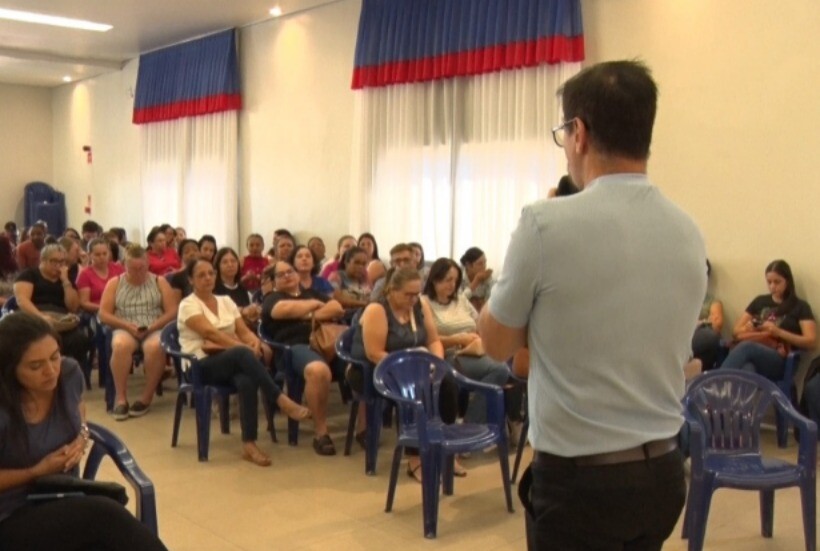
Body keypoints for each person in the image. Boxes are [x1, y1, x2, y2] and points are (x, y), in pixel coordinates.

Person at [478, 60, 706, 550]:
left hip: (581, 484)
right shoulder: (688, 231)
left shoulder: (545, 223)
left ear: (578, 133)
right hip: (664, 472)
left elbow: (496, 343)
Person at [0, 312, 168, 550]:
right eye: (35, 366)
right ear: (9, 369)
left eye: (54, 357)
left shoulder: (68, 373)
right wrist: (35, 471)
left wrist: (81, 434)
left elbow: (78, 410)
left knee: (106, 528)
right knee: (105, 515)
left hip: (60, 495)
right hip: (10, 512)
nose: (50, 371)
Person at [178, 260, 311, 466]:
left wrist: (254, 342)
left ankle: (249, 444)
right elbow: (209, 332)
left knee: (247, 380)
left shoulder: (226, 301)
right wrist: (243, 348)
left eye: (211, 273)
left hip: (230, 360)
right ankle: (280, 398)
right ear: (191, 280)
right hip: (200, 364)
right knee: (242, 354)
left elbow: (243, 331)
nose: (207, 278)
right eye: (201, 275)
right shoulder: (188, 304)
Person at [350, 267, 462, 480]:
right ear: (392, 290)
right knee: (414, 389)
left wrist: (435, 363)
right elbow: (374, 353)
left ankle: (445, 450)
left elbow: (433, 340)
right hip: (376, 370)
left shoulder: (421, 306)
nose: (413, 299)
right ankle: (415, 458)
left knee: (446, 383)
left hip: (414, 363)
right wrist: (410, 367)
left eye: (416, 294)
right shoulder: (377, 310)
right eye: (407, 295)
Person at [423, 258, 520, 428]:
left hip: (474, 350)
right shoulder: (425, 302)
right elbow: (429, 339)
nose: (452, 285)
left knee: (511, 367)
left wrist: (479, 337)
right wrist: (459, 339)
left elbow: (479, 322)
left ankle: (504, 421)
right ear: (435, 279)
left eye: (455, 280)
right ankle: (471, 425)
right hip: (449, 354)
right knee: (499, 370)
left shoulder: (460, 300)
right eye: (448, 280)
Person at [261, 260, 344, 456]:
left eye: (290, 271)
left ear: (298, 274)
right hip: (293, 349)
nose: (287, 276)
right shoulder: (272, 298)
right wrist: (315, 308)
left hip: (327, 345)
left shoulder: (311, 293)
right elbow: (281, 310)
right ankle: (321, 433)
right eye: (281, 275)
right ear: (273, 282)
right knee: (318, 370)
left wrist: (306, 314)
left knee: (365, 363)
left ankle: (363, 430)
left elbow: (337, 308)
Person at [98, 245, 176, 420]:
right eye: (132, 269)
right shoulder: (115, 282)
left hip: (153, 326)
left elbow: (172, 311)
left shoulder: (159, 281)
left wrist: (153, 326)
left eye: (142, 268)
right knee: (120, 345)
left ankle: (146, 397)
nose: (138, 272)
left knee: (155, 346)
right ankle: (120, 398)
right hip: (125, 325)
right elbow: (103, 313)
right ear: (125, 265)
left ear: (148, 264)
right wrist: (126, 325)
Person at [721, 260, 816, 381]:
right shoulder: (760, 301)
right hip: (756, 350)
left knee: (747, 347)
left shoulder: (800, 306)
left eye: (777, 282)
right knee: (748, 369)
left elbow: (811, 342)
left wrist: (778, 332)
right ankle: (737, 398)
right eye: (769, 282)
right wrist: (749, 328)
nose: (772, 286)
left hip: (781, 359)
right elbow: (736, 331)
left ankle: (714, 386)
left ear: (787, 281)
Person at [13, 244, 91, 366]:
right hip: (34, 317)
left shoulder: (67, 279)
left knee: (79, 340)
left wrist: (65, 281)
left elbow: (73, 307)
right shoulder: (29, 275)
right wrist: (40, 317)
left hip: (61, 320)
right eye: (54, 261)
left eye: (62, 262)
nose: (58, 265)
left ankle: (70, 373)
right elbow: (22, 300)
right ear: (43, 260)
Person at [76, 238, 125, 314]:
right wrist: (106, 308)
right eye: (97, 255)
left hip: (120, 310)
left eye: (105, 254)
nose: (102, 257)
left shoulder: (118, 269)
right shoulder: (85, 274)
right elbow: (84, 303)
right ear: (89, 255)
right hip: (96, 312)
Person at [691, 259, 723, 371]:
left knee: (711, 336)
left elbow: (716, 326)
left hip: (699, 334)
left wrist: (701, 323)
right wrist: (705, 321)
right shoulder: (679, 298)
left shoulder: (712, 302)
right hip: (680, 334)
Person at [328, 246, 372, 311]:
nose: (360, 267)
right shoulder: (336, 276)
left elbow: (371, 298)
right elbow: (335, 298)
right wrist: (363, 304)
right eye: (357, 262)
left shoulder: (364, 279)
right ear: (346, 262)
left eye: (364, 264)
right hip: (343, 317)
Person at [166, 239, 200, 305]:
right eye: (187, 252)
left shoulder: (209, 272)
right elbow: (177, 304)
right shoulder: (178, 277)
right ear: (181, 257)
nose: (192, 254)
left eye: (195, 250)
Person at [460, 247, 495, 311]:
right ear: (468, 265)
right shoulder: (459, 276)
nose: (484, 266)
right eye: (480, 264)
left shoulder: (487, 277)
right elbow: (459, 303)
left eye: (485, 262)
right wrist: (477, 280)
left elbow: (489, 303)